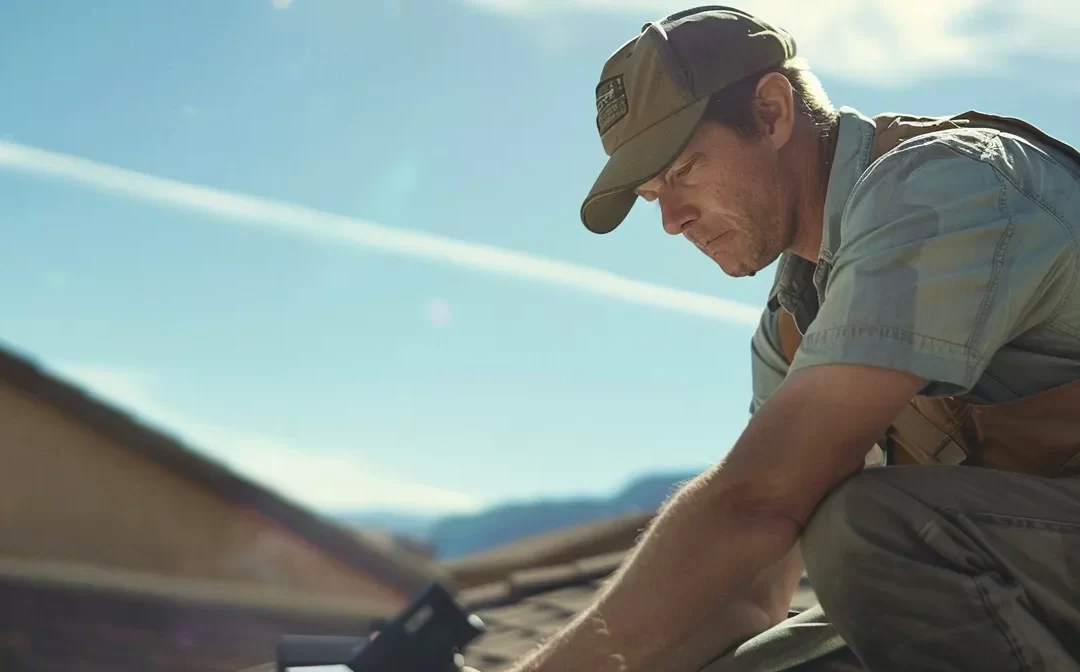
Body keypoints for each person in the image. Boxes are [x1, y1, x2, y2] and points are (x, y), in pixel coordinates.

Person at [466, 5, 1080, 671]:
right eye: (652, 194)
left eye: (684, 171)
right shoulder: (795, 321)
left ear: (770, 112)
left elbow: (759, 498)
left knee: (868, 528)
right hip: (1031, 577)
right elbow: (750, 585)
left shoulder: (946, 185)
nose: (672, 220)